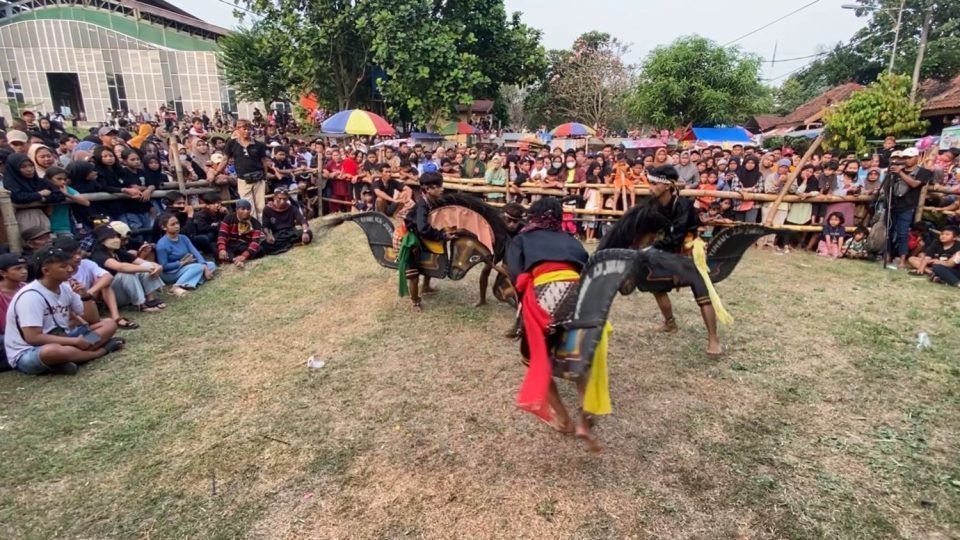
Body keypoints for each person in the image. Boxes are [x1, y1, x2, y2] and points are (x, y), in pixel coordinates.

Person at [505, 197, 604, 451]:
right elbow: (586, 266)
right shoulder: (571, 239)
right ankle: (585, 407)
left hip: (545, 292)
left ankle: (563, 419)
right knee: (576, 352)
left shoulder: (522, 238)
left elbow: (516, 275)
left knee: (536, 360)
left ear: (532, 217)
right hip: (579, 294)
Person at [5, 246, 121, 375]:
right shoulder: (31, 296)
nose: (70, 269)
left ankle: (68, 360)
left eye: (69, 265)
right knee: (53, 351)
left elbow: (92, 320)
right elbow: (33, 338)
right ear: (46, 271)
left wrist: (85, 296)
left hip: (65, 340)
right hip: (29, 352)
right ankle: (99, 352)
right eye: (63, 266)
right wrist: (75, 342)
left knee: (108, 324)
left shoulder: (65, 288)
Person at [644, 165, 722, 356]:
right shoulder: (651, 205)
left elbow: (678, 235)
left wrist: (652, 247)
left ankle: (714, 339)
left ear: (667, 186)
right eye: (650, 183)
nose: (650, 187)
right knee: (655, 284)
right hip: (662, 251)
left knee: (701, 291)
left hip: (688, 250)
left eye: (654, 184)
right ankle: (670, 323)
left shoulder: (685, 206)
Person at [54, 236, 135, 329]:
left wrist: (89, 293)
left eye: (79, 253)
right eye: (73, 255)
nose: (78, 257)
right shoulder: (57, 274)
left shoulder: (86, 263)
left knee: (104, 283)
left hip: (87, 301)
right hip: (72, 310)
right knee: (107, 325)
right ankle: (85, 330)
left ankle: (115, 318)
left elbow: (108, 276)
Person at [397, 172, 449, 312]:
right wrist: (442, 235)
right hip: (411, 238)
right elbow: (423, 228)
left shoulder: (430, 201)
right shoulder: (422, 205)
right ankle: (415, 301)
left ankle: (426, 286)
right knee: (413, 273)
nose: (441, 189)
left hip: (420, 236)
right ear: (429, 189)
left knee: (430, 257)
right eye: (439, 187)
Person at [89, 226, 166, 312]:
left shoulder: (118, 251)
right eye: (111, 237)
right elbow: (120, 267)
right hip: (110, 297)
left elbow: (141, 262)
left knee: (146, 266)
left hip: (123, 292)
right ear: (102, 240)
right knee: (126, 274)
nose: (116, 239)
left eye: (116, 236)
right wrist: (147, 269)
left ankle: (150, 300)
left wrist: (156, 266)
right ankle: (141, 305)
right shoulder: (98, 255)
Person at [886, 148, 933, 270]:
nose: (907, 160)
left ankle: (902, 260)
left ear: (917, 157)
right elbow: (887, 186)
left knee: (903, 233)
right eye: (905, 157)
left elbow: (914, 184)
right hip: (893, 204)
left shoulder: (923, 172)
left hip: (907, 206)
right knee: (889, 231)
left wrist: (900, 173)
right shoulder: (895, 170)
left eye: (909, 157)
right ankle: (888, 255)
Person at [218, 119, 270, 219]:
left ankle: (262, 228)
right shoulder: (232, 143)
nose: (247, 131)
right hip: (243, 179)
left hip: (258, 178)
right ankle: (252, 228)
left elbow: (264, 161)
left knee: (261, 206)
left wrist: (265, 178)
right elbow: (225, 159)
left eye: (249, 129)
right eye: (244, 129)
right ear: (238, 130)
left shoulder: (259, 145)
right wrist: (217, 172)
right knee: (247, 205)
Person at [476, 202, 525, 307]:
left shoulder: (524, 230)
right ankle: (482, 299)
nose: (511, 224)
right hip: (499, 247)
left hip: (512, 250)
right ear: (503, 217)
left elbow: (507, 271)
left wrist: (492, 264)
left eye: (515, 221)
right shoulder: (495, 223)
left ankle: (518, 301)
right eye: (509, 220)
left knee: (509, 275)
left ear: (520, 220)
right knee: (485, 271)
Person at [156, 212, 216, 296]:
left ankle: (188, 283)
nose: (177, 226)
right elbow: (164, 266)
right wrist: (181, 263)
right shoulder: (161, 244)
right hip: (171, 272)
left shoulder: (183, 238)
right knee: (198, 267)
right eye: (172, 224)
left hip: (187, 267)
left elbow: (196, 253)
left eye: (177, 223)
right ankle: (176, 286)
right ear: (164, 227)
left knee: (211, 265)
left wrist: (205, 267)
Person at [261, 187, 312, 254]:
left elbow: (302, 220)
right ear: (274, 198)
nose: (282, 201)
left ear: (287, 198)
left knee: (309, 233)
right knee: (265, 245)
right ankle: (291, 244)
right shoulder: (267, 209)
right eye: (280, 198)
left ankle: (287, 245)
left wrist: (305, 232)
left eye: (284, 199)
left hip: (291, 232)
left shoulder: (291, 207)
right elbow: (265, 226)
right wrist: (268, 235)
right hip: (278, 235)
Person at [217, 199, 265, 268]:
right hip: (230, 245)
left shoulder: (255, 223)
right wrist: (222, 249)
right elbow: (222, 235)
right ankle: (234, 259)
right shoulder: (228, 218)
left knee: (260, 249)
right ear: (236, 209)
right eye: (243, 209)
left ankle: (233, 259)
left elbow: (255, 242)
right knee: (216, 248)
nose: (246, 211)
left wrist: (244, 255)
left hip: (244, 245)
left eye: (248, 209)